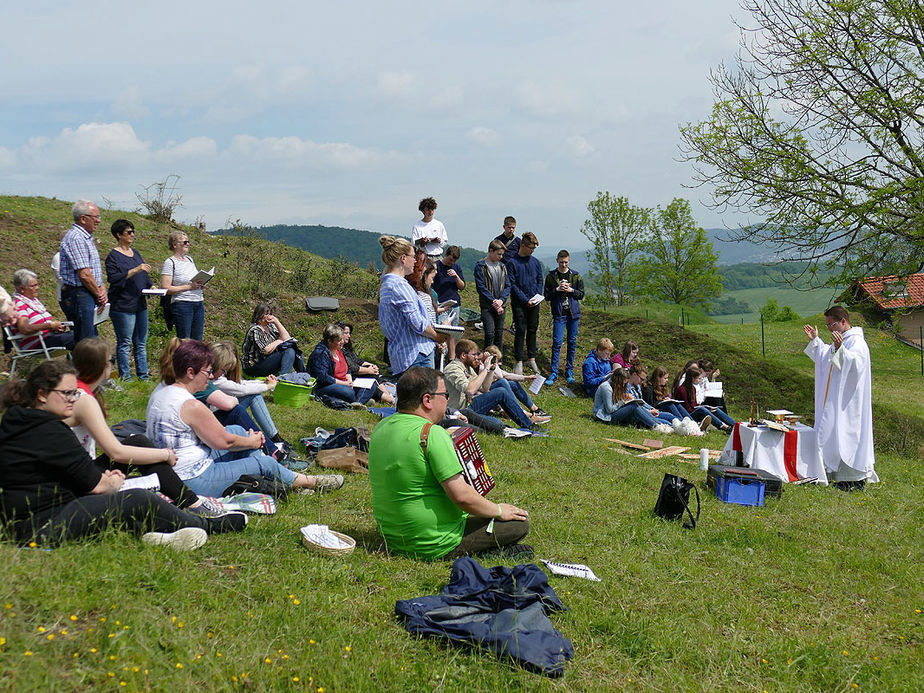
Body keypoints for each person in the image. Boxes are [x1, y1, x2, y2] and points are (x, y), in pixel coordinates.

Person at [0, 360, 245, 549]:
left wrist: (103, 481)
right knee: (137, 498)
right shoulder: (50, 430)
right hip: (39, 524)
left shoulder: (19, 418)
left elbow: (69, 472)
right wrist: (112, 483)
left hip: (43, 506)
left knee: (136, 443)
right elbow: (97, 488)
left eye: (75, 393)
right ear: (42, 394)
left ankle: (165, 525)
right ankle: (207, 524)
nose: (73, 400)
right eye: (67, 393)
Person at [369, 367, 531, 560]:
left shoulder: (380, 428)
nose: (447, 400)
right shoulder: (431, 434)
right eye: (445, 395)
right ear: (427, 400)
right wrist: (498, 510)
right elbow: (462, 497)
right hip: (432, 542)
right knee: (519, 524)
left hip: (392, 537)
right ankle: (479, 553)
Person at [146, 340, 343, 497]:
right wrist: (253, 441)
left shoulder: (164, 390)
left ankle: (283, 478)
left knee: (238, 430)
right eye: (207, 372)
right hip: (194, 479)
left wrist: (247, 440)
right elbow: (224, 442)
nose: (210, 378)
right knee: (258, 457)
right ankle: (307, 481)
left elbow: (227, 436)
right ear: (190, 372)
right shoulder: (192, 406)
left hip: (175, 467)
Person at [65, 338, 228, 517]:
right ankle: (192, 502)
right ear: (103, 367)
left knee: (137, 441)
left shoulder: (79, 392)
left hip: (80, 472)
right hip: (78, 481)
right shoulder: (83, 399)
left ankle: (188, 500)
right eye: (112, 361)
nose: (112, 365)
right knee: (140, 442)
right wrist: (164, 454)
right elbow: (116, 452)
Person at [803, 306, 877, 489]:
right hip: (835, 402)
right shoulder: (842, 341)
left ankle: (852, 479)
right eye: (827, 325)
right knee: (832, 433)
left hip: (849, 404)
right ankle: (831, 472)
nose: (829, 328)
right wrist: (816, 341)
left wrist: (840, 349)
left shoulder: (857, 342)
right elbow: (826, 357)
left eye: (832, 324)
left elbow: (855, 366)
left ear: (844, 321)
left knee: (848, 436)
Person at [209, 340, 306, 456]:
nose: (224, 373)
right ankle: (275, 441)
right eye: (223, 370)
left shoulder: (216, 377)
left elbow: (242, 384)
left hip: (218, 413)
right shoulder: (215, 381)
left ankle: (275, 440)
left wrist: (262, 382)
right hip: (216, 419)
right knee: (251, 397)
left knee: (252, 396)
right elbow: (241, 390)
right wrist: (268, 386)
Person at [443, 339, 550, 430]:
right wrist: (485, 368)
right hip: (460, 411)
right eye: (474, 355)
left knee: (502, 386)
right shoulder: (453, 368)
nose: (477, 357)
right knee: (498, 424)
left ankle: (528, 423)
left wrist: (490, 370)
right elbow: (470, 390)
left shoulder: (467, 368)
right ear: (463, 355)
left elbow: (485, 388)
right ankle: (525, 418)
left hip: (469, 405)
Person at [378, 235, 444, 376]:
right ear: (403, 258)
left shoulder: (387, 284)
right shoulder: (399, 286)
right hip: (416, 354)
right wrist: (437, 336)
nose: (415, 261)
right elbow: (417, 323)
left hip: (402, 353)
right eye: (413, 257)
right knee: (423, 396)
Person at [105, 219, 152, 380]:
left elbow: (143, 274)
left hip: (140, 303)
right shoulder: (113, 257)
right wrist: (135, 270)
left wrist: (151, 286)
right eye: (128, 232)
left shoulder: (135, 252)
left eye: (133, 231)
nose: (132, 235)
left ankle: (143, 376)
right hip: (123, 305)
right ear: (119, 235)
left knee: (140, 342)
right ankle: (126, 376)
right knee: (125, 342)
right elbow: (114, 279)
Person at [58, 200, 108, 342]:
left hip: (87, 293)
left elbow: (93, 269)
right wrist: (99, 294)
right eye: (96, 217)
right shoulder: (76, 238)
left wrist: (101, 287)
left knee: (91, 338)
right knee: (85, 341)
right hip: (79, 294)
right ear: (83, 219)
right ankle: (83, 364)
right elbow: (84, 274)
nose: (98, 221)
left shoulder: (85, 238)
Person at [307, 323, 378, 407]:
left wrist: (349, 380)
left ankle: (356, 403)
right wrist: (344, 384)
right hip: (326, 386)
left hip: (345, 383)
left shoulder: (339, 350)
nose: (342, 342)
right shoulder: (321, 353)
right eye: (339, 340)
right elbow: (323, 378)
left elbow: (347, 368)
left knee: (371, 385)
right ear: (330, 341)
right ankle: (359, 401)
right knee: (349, 392)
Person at [544, 250, 584, 385]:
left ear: (569, 261)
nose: (563, 264)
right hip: (559, 314)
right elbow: (547, 296)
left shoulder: (576, 276)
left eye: (566, 262)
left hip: (573, 313)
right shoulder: (551, 277)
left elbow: (581, 294)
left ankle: (569, 370)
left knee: (572, 342)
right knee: (557, 343)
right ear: (557, 261)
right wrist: (557, 290)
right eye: (561, 262)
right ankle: (554, 372)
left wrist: (571, 290)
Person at [9, 269, 75, 350]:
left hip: (48, 337)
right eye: (33, 286)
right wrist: (49, 325)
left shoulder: (33, 302)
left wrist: (55, 327)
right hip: (37, 343)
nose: (37, 288)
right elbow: (24, 328)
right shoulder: (19, 304)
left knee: (81, 333)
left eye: (37, 285)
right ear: (22, 288)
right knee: (81, 336)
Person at [592, 368, 673, 434]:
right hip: (603, 416)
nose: (624, 386)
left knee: (636, 407)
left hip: (611, 413)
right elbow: (609, 410)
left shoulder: (615, 386)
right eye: (623, 384)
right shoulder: (606, 388)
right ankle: (657, 426)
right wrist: (623, 401)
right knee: (633, 407)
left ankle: (662, 425)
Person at [507, 231, 543, 375]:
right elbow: (512, 285)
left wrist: (537, 296)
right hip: (519, 303)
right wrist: (524, 299)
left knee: (533, 329)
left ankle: (532, 358)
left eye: (534, 249)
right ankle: (518, 361)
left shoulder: (535, 262)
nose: (532, 251)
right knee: (520, 330)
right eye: (530, 248)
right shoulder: (512, 263)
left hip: (535, 302)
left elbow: (540, 279)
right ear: (523, 245)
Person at [160, 230, 206, 340]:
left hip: (198, 302)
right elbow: (166, 287)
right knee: (185, 339)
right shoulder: (170, 262)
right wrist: (189, 287)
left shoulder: (190, 260)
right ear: (175, 245)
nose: (188, 244)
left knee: (197, 340)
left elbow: (193, 279)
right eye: (185, 242)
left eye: (188, 242)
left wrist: (200, 284)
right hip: (182, 303)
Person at [241, 301, 306, 377]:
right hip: (254, 366)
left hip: (267, 360)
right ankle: (283, 379)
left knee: (293, 349)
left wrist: (277, 322)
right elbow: (265, 350)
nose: (269, 316)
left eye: (270, 314)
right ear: (259, 315)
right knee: (289, 351)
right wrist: (279, 341)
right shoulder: (255, 330)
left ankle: (304, 376)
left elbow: (287, 338)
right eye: (266, 314)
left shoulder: (270, 326)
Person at [336, 323, 395, 404]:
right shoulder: (338, 350)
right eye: (346, 333)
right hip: (348, 377)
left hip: (352, 375)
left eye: (349, 333)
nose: (349, 336)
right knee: (371, 380)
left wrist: (371, 365)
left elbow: (357, 360)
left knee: (372, 376)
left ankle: (385, 396)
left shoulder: (346, 347)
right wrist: (369, 370)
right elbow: (351, 367)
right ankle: (388, 398)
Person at [482, 345, 548, 417]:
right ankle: (519, 410)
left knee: (513, 383)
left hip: (492, 390)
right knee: (503, 382)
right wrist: (492, 364)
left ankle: (534, 408)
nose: (497, 363)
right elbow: (500, 376)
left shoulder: (494, 366)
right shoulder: (483, 366)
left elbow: (507, 375)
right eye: (496, 359)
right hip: (485, 393)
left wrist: (526, 378)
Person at [672, 364, 736, 432]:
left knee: (715, 409)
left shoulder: (693, 388)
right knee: (702, 409)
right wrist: (703, 408)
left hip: (693, 410)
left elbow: (694, 404)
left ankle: (735, 425)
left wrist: (708, 408)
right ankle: (724, 427)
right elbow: (687, 408)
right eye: (699, 378)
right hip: (687, 415)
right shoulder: (682, 390)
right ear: (693, 378)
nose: (700, 380)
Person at [473, 239, 511, 351]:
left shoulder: (503, 267)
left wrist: (501, 300)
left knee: (499, 334)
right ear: (491, 251)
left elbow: (508, 285)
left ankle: (498, 361)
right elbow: (481, 287)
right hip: (487, 306)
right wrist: (494, 301)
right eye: (499, 254)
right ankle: (487, 359)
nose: (501, 257)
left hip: (501, 305)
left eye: (502, 254)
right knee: (489, 333)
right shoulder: (480, 266)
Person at [433, 245, 466, 360]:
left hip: (454, 303)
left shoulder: (456, 267)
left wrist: (456, 276)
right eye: (450, 259)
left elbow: (462, 286)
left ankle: (452, 358)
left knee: (454, 332)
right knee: (444, 330)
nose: (452, 262)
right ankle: (441, 356)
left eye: (454, 260)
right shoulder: (437, 266)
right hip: (442, 303)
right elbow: (431, 286)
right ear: (446, 255)